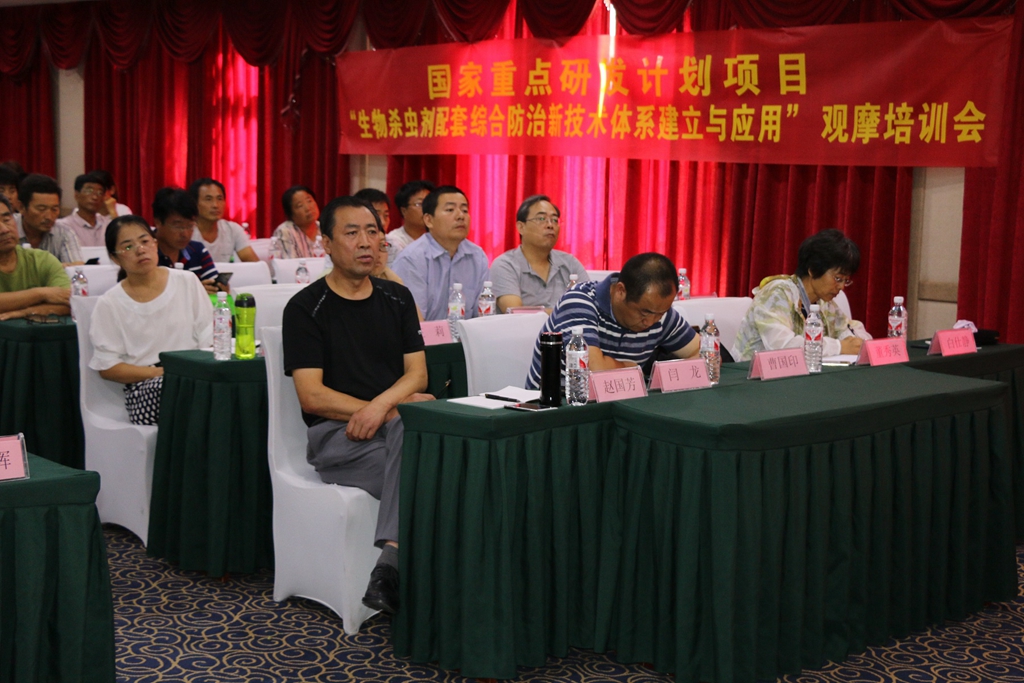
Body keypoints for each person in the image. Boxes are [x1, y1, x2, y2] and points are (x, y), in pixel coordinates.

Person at [283, 195, 434, 616]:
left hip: (391, 429)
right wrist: (386, 409)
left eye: (372, 232)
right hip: (338, 437)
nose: (366, 242)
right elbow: (312, 396)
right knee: (433, 470)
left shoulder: (397, 298)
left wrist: (382, 409)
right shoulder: (305, 308)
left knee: (414, 435)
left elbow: (417, 375)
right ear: (327, 244)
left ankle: (389, 565)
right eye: (352, 233)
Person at [89, 216, 213, 425]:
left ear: (155, 243)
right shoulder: (109, 303)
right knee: (178, 391)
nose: (140, 250)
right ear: (115, 258)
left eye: (145, 241)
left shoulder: (186, 281)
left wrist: (195, 372)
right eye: (128, 247)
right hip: (146, 388)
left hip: (192, 376)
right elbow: (108, 367)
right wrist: (164, 373)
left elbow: (208, 334)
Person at [525, 253, 700, 389]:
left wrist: (667, 376)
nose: (651, 322)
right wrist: (630, 366)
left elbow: (705, 353)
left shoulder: (659, 313)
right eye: (644, 313)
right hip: (555, 409)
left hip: (617, 406)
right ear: (621, 291)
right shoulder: (579, 301)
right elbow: (593, 371)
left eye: (660, 314)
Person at [732, 228, 869, 361]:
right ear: (813, 270)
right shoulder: (777, 294)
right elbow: (783, 347)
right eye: (838, 278)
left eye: (846, 281)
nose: (841, 287)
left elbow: (849, 329)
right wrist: (839, 347)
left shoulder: (824, 303)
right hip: (749, 372)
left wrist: (854, 341)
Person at [391, 185, 489, 321]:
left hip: (466, 334)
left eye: (465, 210)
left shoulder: (477, 256)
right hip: (424, 334)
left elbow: (483, 316)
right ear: (428, 220)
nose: (461, 216)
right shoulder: (411, 259)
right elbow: (413, 321)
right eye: (450, 210)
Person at [490, 195, 588, 312]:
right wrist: (568, 312)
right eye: (541, 219)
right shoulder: (505, 265)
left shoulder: (570, 263)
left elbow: (590, 305)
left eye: (554, 220)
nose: (550, 225)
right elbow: (516, 313)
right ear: (521, 227)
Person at [0, 195, 71, 321]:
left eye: (6, 220)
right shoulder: (42, 292)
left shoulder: (42, 260)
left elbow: (68, 301)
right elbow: (52, 295)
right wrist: (41, 294)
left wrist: (25, 312)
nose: (4, 230)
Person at [152, 187, 222, 293]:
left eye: (190, 226)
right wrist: (195, 292)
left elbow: (213, 286)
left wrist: (219, 289)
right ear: (158, 222)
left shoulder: (197, 250)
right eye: (178, 226)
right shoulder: (145, 254)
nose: (185, 234)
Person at [17, 173, 83, 266]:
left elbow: (76, 268)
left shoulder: (64, 233)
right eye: (41, 209)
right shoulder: (6, 230)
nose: (49, 217)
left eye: (54, 209)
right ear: (21, 207)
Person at [189, 177, 258, 262]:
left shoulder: (232, 229)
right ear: (195, 203)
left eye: (219, 199)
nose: (215, 205)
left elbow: (254, 263)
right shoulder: (187, 232)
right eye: (208, 199)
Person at [55, 172, 111, 248]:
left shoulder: (107, 225)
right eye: (89, 191)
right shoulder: (63, 226)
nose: (95, 197)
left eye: (100, 193)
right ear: (76, 195)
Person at [387, 180, 434, 265]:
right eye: (420, 204)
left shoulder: (436, 239)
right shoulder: (393, 242)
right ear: (404, 211)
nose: (426, 209)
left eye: (429, 204)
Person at [273, 185, 321, 259]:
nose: (308, 208)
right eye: (300, 205)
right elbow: (289, 264)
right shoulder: (285, 231)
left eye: (309, 201)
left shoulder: (325, 227)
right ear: (291, 214)